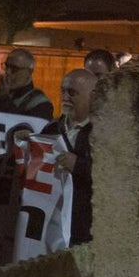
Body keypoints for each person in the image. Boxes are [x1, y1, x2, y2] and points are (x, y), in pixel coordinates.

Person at [43, 68, 98, 245]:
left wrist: (79, 166)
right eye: (63, 91)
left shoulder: (106, 134)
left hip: (87, 230)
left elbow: (117, 175)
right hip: (53, 227)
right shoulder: (51, 130)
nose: (65, 97)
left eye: (72, 92)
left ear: (93, 96)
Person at [0, 48, 53, 120]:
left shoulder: (39, 102)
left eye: (14, 69)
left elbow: (21, 125)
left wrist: (3, 99)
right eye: (6, 66)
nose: (7, 72)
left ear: (29, 72)